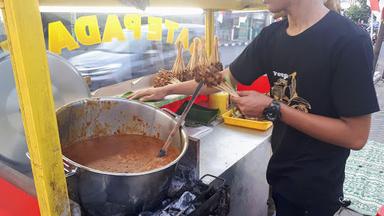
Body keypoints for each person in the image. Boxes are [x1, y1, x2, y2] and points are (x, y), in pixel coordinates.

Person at [129, 0, 380, 215]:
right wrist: (165, 90)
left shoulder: (348, 40)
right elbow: (223, 80)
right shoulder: (271, 37)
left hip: (316, 187)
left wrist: (274, 108)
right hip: (280, 172)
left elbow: (355, 135)